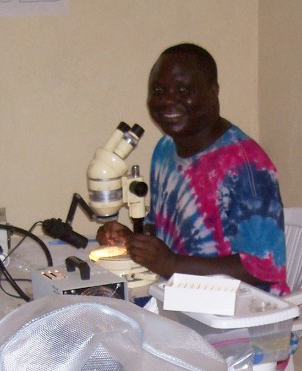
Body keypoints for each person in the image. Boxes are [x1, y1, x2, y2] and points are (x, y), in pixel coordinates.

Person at [97, 43, 289, 295]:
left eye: (183, 89)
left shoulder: (245, 167)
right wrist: (133, 239)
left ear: (213, 91)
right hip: (180, 297)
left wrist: (171, 264)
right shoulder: (165, 149)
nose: (167, 100)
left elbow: (263, 269)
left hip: (242, 316)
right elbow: (164, 229)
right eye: (158, 89)